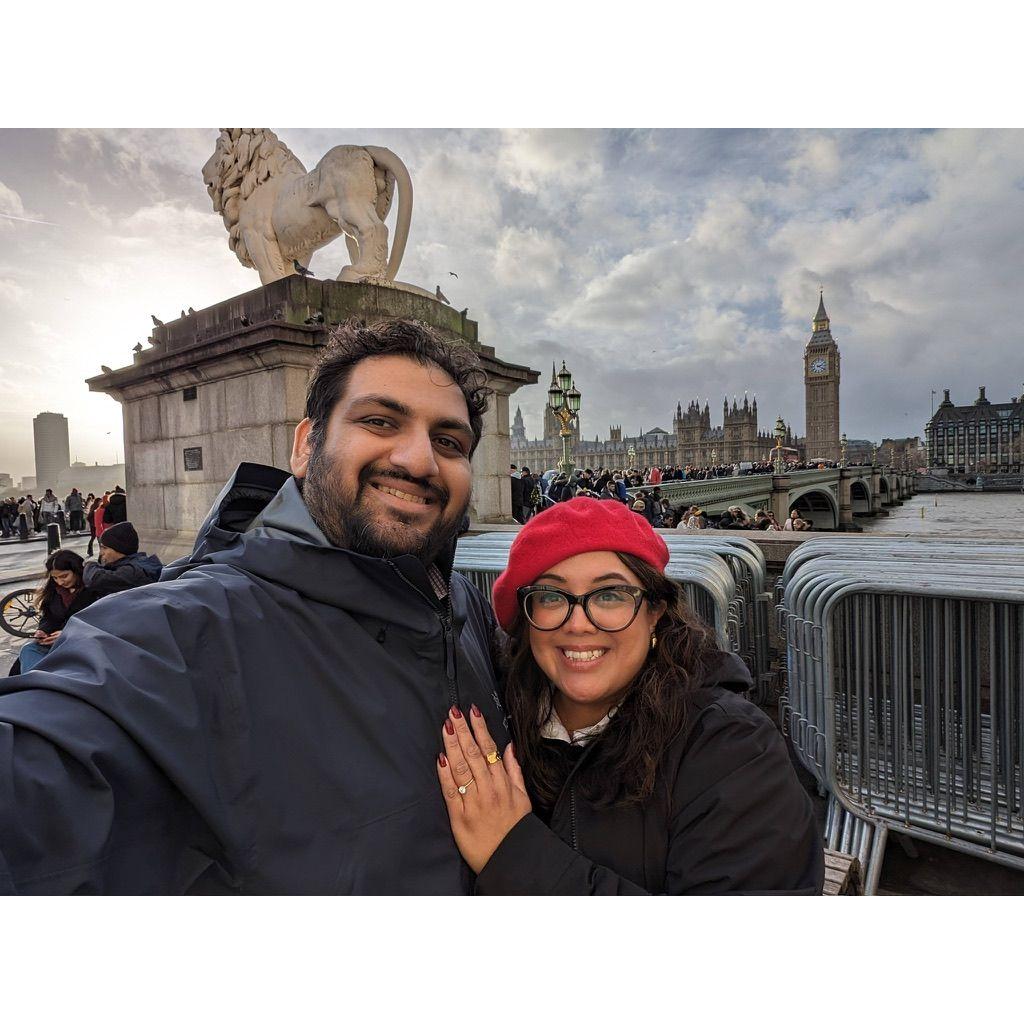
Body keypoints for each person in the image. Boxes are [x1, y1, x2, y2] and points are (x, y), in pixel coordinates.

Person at [0, 319, 505, 895]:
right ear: (304, 446)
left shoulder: (460, 604)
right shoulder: (182, 631)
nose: (420, 461)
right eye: (379, 421)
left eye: (449, 442)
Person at [434, 497, 823, 894]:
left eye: (609, 595)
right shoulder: (500, 717)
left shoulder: (736, 751)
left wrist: (512, 855)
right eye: (551, 597)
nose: (580, 624)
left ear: (655, 609)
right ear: (526, 618)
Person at [14, 549, 99, 675]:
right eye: (55, 578)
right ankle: (33, 685)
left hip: (83, 644)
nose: (60, 582)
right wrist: (42, 630)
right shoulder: (54, 591)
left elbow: (98, 622)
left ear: (76, 571)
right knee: (28, 649)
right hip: (56, 643)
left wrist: (67, 633)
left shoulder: (93, 590)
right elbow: (48, 616)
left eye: (64, 576)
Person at [81, 522, 163, 595]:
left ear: (119, 549)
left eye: (105, 548)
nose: (101, 553)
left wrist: (90, 564)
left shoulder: (133, 571)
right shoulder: (138, 564)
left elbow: (96, 579)